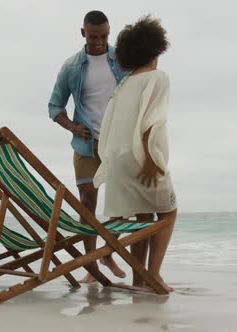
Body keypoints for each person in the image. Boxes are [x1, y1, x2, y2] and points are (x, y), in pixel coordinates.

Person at [94, 15, 177, 291]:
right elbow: (152, 123)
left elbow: (109, 128)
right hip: (142, 158)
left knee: (143, 218)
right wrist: (153, 161)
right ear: (155, 51)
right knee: (168, 213)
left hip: (117, 160)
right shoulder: (157, 78)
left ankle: (139, 278)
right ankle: (153, 275)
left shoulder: (123, 85)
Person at [48, 10, 127, 283]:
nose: (99, 42)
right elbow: (54, 106)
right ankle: (91, 268)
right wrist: (72, 126)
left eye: (104, 36)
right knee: (86, 205)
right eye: (93, 37)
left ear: (109, 32)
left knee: (126, 204)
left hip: (117, 144)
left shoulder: (123, 59)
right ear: (83, 33)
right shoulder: (71, 66)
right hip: (85, 146)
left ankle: (106, 253)